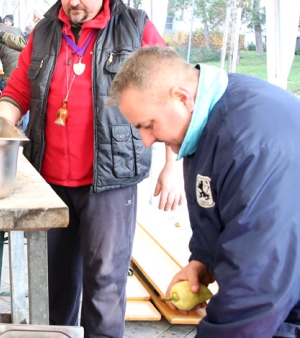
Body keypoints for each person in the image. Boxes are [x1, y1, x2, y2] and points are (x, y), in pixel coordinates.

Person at [0, 0, 183, 337]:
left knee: (105, 281)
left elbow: (173, 95)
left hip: (110, 181)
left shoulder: (134, 28)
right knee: (53, 280)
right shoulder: (46, 30)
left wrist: (172, 164)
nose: (73, 2)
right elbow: (19, 89)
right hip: (50, 179)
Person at [107, 47, 300, 337]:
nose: (146, 141)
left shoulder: (253, 146)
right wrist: (203, 260)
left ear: (182, 98)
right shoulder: (210, 115)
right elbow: (217, 203)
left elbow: (256, 288)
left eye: (148, 126)